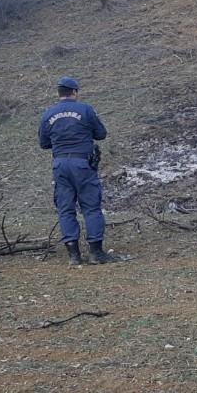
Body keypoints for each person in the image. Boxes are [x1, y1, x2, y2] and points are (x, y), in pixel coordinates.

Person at [39, 76, 116, 266]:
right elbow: (101, 134)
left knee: (65, 209)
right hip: (82, 164)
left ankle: (73, 255)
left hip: (59, 165)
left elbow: (44, 143)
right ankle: (96, 253)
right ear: (74, 92)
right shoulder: (86, 110)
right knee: (91, 207)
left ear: (59, 94)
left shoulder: (48, 114)